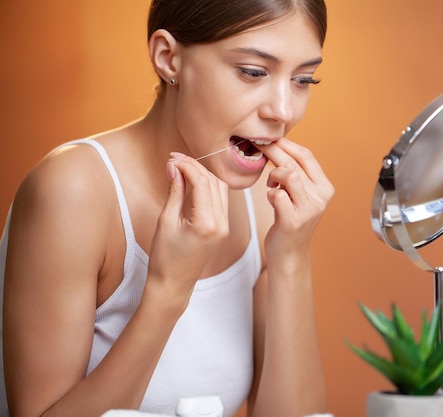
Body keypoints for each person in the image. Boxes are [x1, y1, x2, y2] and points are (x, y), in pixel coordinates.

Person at [0, 0, 332, 416]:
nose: (283, 110)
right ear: (168, 57)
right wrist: (167, 290)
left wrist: (291, 258)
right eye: (253, 72)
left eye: (304, 80)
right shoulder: (72, 191)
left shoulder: (266, 204)